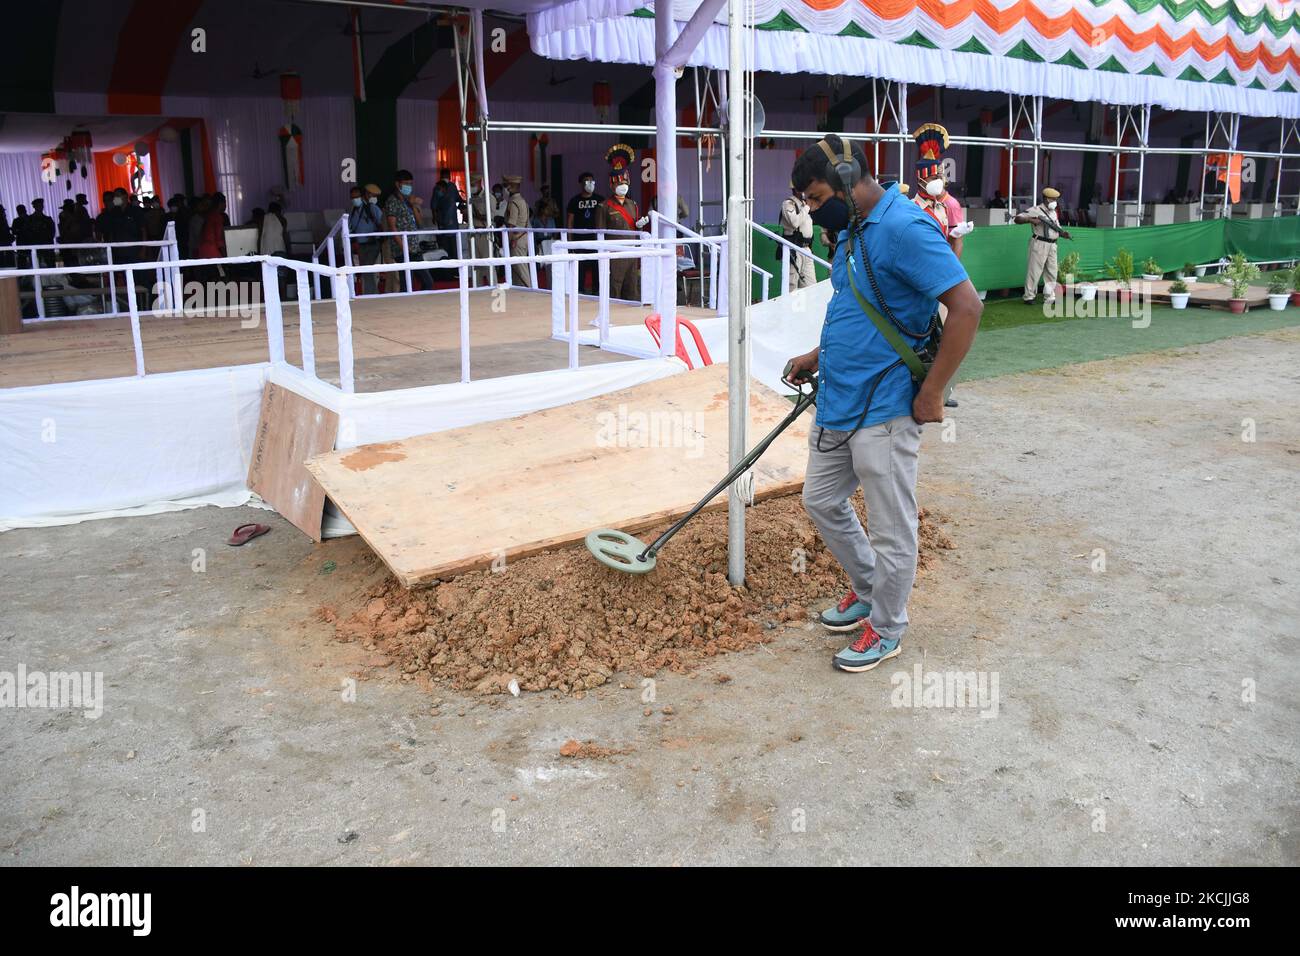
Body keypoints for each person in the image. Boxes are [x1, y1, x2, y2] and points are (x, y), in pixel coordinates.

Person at [783, 134, 982, 674]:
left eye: (817, 198)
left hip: (887, 405)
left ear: (848, 181)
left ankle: (888, 627)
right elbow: (859, 303)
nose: (813, 211)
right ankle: (871, 588)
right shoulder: (853, 230)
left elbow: (967, 308)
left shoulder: (905, 227)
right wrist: (818, 355)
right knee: (821, 500)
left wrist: (932, 391)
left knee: (891, 528)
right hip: (839, 396)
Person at [593, 143, 649, 301]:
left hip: (632, 252)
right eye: (619, 183)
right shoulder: (604, 206)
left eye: (624, 183)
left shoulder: (633, 204)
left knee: (632, 288)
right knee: (614, 288)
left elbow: (635, 227)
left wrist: (639, 225)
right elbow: (600, 233)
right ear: (612, 185)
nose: (622, 186)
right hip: (614, 255)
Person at [1014, 186, 1071, 305]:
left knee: (1052, 271)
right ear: (1046, 199)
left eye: (1056, 199)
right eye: (1053, 199)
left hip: (1052, 245)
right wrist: (1030, 220)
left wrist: (1063, 234)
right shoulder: (1036, 210)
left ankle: (1050, 296)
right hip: (1039, 243)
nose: (1055, 202)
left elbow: (1056, 227)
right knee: (1034, 270)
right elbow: (1017, 219)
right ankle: (1029, 296)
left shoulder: (1053, 212)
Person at [383, 169, 433, 291]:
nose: (409, 187)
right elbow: (392, 228)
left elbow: (420, 223)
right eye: (406, 183)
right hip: (402, 250)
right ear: (397, 184)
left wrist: (414, 205)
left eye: (410, 184)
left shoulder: (408, 200)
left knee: (427, 281)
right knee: (406, 284)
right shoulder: (392, 201)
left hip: (415, 248)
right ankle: (405, 303)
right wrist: (404, 248)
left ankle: (421, 301)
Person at [566, 171, 603, 293]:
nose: (590, 184)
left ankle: (597, 291)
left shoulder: (600, 200)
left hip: (596, 240)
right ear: (581, 183)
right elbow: (570, 221)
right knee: (580, 267)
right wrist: (570, 241)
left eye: (592, 181)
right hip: (579, 240)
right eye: (587, 181)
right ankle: (579, 291)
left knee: (597, 265)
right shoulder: (574, 201)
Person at [348, 184, 385, 294]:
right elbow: (351, 227)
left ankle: (371, 294)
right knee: (364, 270)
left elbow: (382, 223)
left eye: (357, 197)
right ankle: (368, 293)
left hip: (373, 243)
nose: (355, 199)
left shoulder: (372, 208)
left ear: (362, 196)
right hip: (361, 246)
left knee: (367, 269)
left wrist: (381, 237)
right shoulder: (352, 211)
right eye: (352, 197)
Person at [779, 185, 815, 291]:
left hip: (806, 248)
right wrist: (807, 207)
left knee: (811, 285)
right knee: (792, 284)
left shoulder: (805, 204)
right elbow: (795, 222)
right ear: (795, 190)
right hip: (794, 248)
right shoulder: (788, 203)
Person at [503, 174, 531, 287]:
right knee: (516, 271)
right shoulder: (521, 200)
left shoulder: (513, 202)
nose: (506, 188)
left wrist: (510, 240)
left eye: (506, 186)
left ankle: (531, 290)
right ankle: (520, 292)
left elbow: (511, 224)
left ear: (511, 186)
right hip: (522, 237)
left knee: (521, 269)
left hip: (516, 239)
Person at [467, 173, 493, 287]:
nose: (472, 187)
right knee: (475, 265)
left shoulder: (488, 197)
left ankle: (493, 287)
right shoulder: (471, 198)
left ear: (479, 183)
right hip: (473, 233)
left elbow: (491, 217)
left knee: (488, 263)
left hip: (484, 234)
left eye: (473, 184)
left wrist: (476, 214)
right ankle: (477, 289)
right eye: (470, 184)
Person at [432, 167, 463, 258]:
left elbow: (434, 204)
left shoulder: (438, 187)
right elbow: (458, 199)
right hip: (451, 221)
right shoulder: (452, 186)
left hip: (443, 221)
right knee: (453, 244)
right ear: (449, 176)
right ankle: (453, 263)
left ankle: (447, 261)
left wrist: (434, 216)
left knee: (445, 245)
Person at [28, 198, 56, 268]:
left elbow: (52, 233)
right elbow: (27, 233)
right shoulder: (29, 219)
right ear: (34, 207)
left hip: (47, 246)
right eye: (38, 205)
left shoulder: (48, 219)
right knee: (35, 266)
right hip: (35, 245)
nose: (40, 207)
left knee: (50, 265)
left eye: (41, 205)